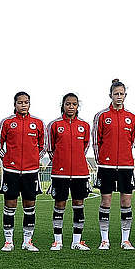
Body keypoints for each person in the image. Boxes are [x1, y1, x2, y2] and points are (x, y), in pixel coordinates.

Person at [0, 91, 44, 251]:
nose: (23, 105)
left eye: (26, 102)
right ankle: (8, 241)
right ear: (15, 104)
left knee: (29, 205)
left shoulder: (38, 123)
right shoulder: (7, 122)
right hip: (11, 171)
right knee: (10, 205)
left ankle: (27, 241)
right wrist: (7, 159)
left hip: (31, 172)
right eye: (20, 102)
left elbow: (43, 146)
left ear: (30, 104)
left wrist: (35, 160)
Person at [92, 79, 135, 250]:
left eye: (122, 94)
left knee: (126, 202)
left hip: (126, 166)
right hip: (107, 166)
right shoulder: (102, 116)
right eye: (116, 94)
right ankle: (105, 240)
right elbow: (96, 141)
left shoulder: (131, 117)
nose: (119, 97)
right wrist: (101, 159)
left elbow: (133, 141)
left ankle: (125, 240)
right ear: (110, 95)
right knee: (106, 202)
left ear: (125, 95)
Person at [45, 93, 91, 251]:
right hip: (60, 173)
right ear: (62, 105)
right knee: (60, 204)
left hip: (80, 173)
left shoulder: (84, 125)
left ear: (78, 106)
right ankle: (57, 241)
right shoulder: (54, 125)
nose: (71, 107)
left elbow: (85, 147)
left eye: (74, 104)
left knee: (79, 204)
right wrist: (61, 161)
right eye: (68, 104)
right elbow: (50, 148)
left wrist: (76, 160)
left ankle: (76, 241)